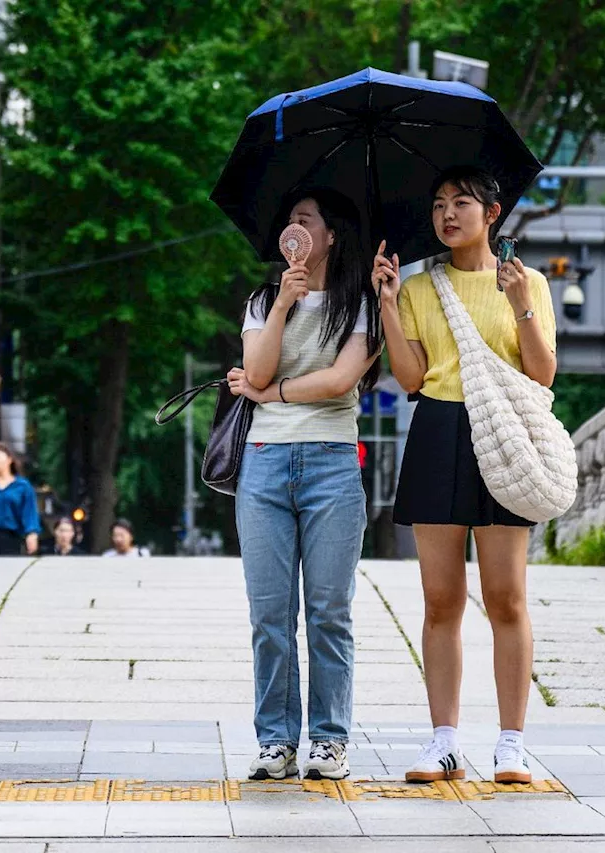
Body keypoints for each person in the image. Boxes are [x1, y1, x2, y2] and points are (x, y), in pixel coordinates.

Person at [371, 166, 558, 785]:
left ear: (492, 214)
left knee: (506, 598)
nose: (447, 214)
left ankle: (511, 744)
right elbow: (409, 378)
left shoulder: (526, 283)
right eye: (438, 204)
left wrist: (521, 306)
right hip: (438, 433)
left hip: (501, 434)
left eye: (461, 203)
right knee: (440, 599)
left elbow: (542, 374)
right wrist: (390, 307)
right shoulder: (423, 286)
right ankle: (443, 740)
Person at [226, 188, 381, 782]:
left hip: (331, 463)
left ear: (330, 236)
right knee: (269, 612)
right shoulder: (264, 299)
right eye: (289, 220)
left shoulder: (358, 303)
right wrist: (284, 306)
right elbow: (256, 368)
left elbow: (342, 381)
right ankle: (275, 740)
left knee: (328, 610)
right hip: (264, 463)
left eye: (306, 220)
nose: (294, 228)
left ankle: (329, 739)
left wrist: (272, 395)